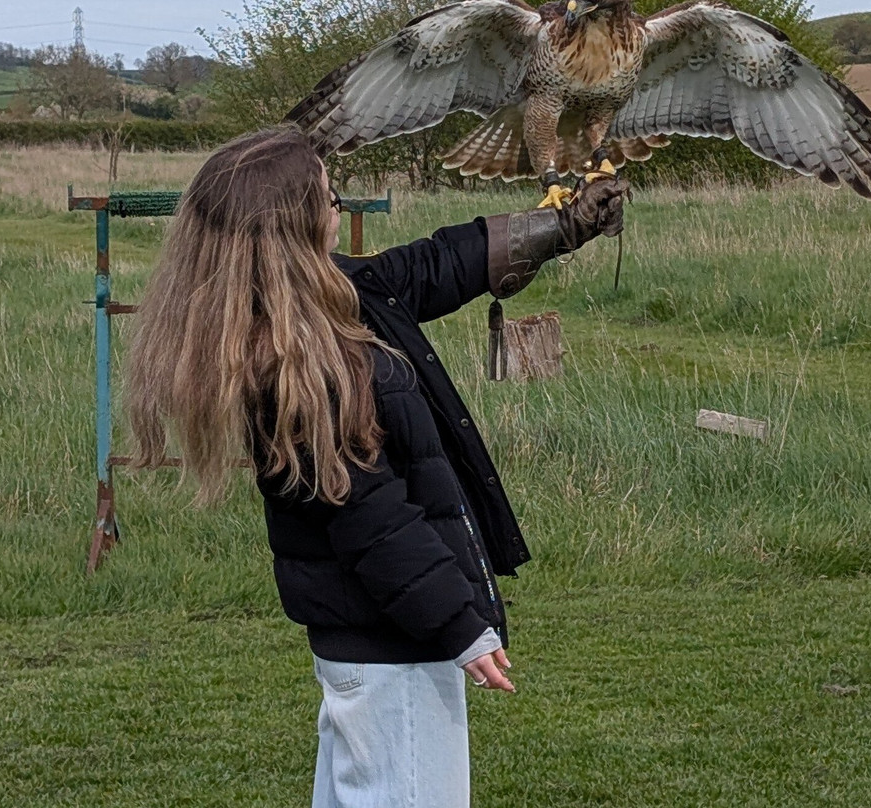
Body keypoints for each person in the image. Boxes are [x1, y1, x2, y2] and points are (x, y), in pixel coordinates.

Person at [125, 127, 628, 808]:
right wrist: (458, 623)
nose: (339, 209)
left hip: (374, 644)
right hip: (396, 650)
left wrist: (557, 227)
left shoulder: (319, 308)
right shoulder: (299, 360)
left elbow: (428, 267)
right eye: (331, 200)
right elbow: (371, 517)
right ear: (299, 224)